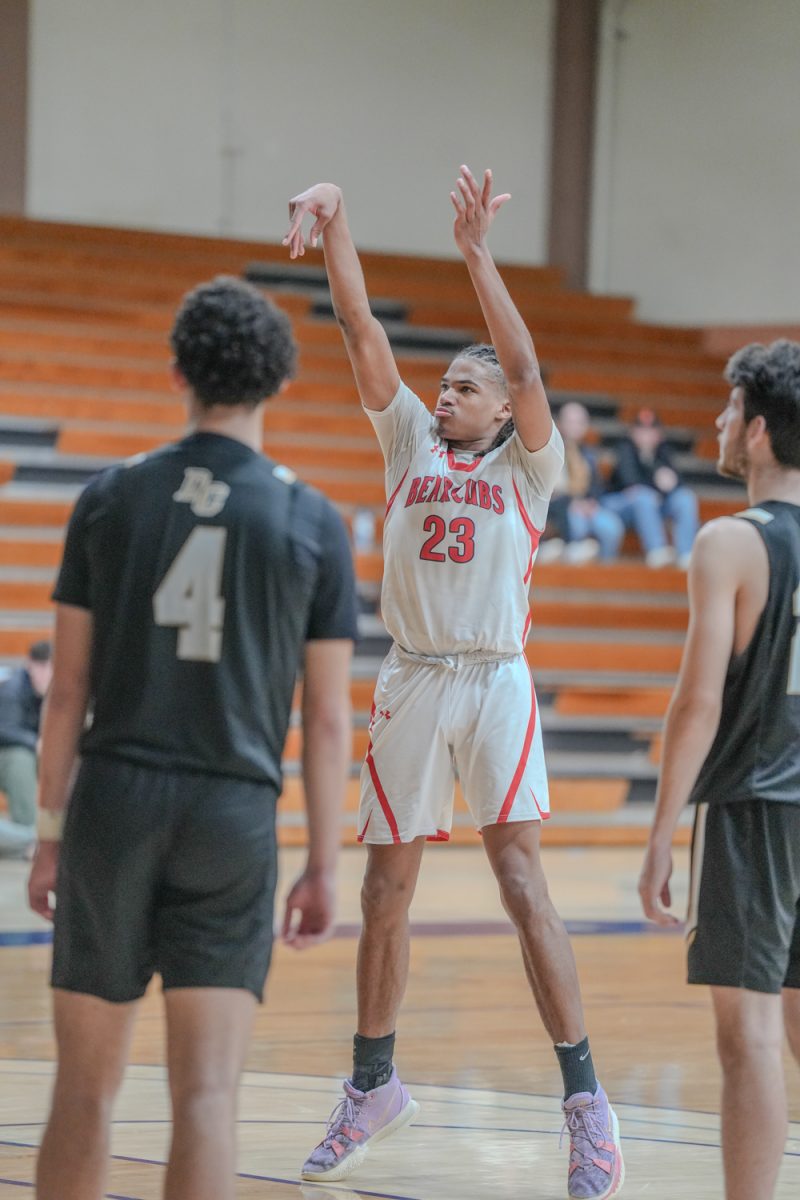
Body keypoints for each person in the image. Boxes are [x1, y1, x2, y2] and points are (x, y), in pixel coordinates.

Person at [283, 167, 624, 1199]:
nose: (445, 394)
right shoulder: (404, 445)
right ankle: (372, 1084)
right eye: (443, 387)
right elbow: (353, 326)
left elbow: (522, 363)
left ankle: (585, 1104)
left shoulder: (528, 466)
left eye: (462, 386)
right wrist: (338, 213)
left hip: (494, 682)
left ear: (498, 406)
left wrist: (475, 254)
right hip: (414, 680)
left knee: (523, 886)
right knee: (387, 891)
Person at [26, 276, 358, 1200]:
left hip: (114, 802)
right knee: (208, 1097)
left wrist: (50, 838)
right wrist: (326, 863)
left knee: (84, 1092)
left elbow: (68, 696)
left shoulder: (111, 497)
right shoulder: (313, 520)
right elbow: (328, 719)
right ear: (280, 381)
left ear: (178, 370)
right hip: (233, 811)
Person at [639, 339, 800, 1200]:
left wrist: (661, 834)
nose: (718, 422)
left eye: (731, 409)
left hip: (751, 807)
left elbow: (696, 705)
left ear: (762, 431)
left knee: (749, 1037)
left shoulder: (729, 543)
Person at [601, 409, 698, 568]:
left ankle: (686, 553)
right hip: (620, 504)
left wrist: (672, 482)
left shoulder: (663, 451)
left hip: (653, 504)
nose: (646, 435)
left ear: (659, 434)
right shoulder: (624, 449)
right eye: (641, 430)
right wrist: (657, 480)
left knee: (685, 497)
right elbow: (630, 482)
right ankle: (656, 550)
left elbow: (676, 482)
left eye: (651, 430)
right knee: (643, 496)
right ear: (632, 432)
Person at [544, 402, 624, 563]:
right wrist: (572, 503)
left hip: (587, 506)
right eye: (570, 421)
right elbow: (551, 488)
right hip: (562, 506)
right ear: (560, 423)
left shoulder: (589, 454)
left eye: (579, 422)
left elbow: (596, 486)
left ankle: (605, 571)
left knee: (612, 526)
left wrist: (591, 503)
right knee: (576, 524)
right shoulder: (550, 449)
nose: (575, 427)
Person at [0, 640, 51, 855]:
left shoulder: (52, 696)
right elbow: (6, 730)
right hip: (10, 758)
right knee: (20, 757)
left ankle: (36, 840)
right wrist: (36, 743)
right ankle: (37, 840)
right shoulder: (12, 689)